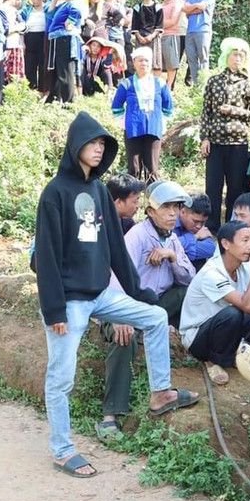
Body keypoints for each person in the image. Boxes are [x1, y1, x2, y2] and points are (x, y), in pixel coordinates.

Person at [34, 112, 200, 478]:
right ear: (75, 146)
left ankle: (160, 393)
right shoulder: (55, 193)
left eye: (101, 144)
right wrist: (54, 309)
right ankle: (62, 449)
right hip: (69, 302)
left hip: (101, 295)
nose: (97, 149)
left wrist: (139, 292)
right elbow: (45, 255)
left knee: (155, 317)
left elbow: (115, 249)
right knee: (60, 377)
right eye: (91, 143)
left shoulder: (98, 191)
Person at [99, 180, 195, 440]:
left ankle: (182, 340)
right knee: (123, 338)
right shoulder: (137, 235)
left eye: (176, 208)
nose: (173, 214)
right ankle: (111, 414)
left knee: (187, 293)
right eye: (166, 208)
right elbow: (114, 276)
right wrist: (119, 316)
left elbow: (189, 278)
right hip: (124, 304)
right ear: (151, 211)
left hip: (154, 305)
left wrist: (171, 257)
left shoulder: (172, 238)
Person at [180, 220, 250, 385]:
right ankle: (214, 361)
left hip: (223, 331)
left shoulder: (244, 266)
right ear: (226, 244)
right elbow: (247, 306)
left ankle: (235, 353)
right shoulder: (212, 273)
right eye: (245, 240)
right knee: (233, 313)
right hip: (197, 338)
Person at [199, 38, 250, 225]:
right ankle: (211, 226)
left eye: (241, 56)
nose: (238, 59)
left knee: (235, 187)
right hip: (215, 143)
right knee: (213, 187)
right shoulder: (214, 81)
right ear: (226, 56)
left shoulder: (247, 84)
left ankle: (234, 224)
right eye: (235, 55)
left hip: (238, 144)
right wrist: (204, 138)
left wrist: (234, 111)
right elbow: (206, 113)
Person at [111, 47, 174, 182]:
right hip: (133, 129)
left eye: (146, 60)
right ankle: (133, 194)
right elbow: (116, 106)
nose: (143, 63)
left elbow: (168, 105)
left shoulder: (159, 82)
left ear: (151, 63)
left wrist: (162, 120)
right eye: (140, 60)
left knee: (152, 169)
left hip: (153, 128)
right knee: (134, 168)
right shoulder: (127, 83)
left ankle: (153, 194)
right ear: (134, 63)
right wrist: (124, 122)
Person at [44, 0, 85, 105]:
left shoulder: (74, 4)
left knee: (65, 71)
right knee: (58, 70)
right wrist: (56, 0)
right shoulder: (64, 4)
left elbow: (74, 16)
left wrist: (70, 23)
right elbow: (49, 14)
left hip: (65, 39)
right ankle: (53, 99)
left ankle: (68, 102)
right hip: (58, 39)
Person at [182, 0, 216, 86]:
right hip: (190, 30)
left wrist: (192, 8)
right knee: (191, 58)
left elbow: (202, 7)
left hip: (203, 29)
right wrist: (196, 7)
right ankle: (196, 85)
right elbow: (185, 9)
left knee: (203, 57)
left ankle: (204, 84)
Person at [176, 193, 217, 271]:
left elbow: (210, 248)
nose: (199, 226)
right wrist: (195, 237)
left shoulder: (201, 230)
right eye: (195, 221)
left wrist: (179, 252)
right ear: (183, 212)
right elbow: (168, 244)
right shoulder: (170, 221)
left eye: (203, 222)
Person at [130, 0, 164, 74]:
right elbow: (135, 25)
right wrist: (140, 37)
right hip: (140, 38)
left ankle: (154, 81)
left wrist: (151, 36)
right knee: (140, 61)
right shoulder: (137, 7)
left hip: (154, 38)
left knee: (154, 63)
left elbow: (159, 25)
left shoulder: (158, 7)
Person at [158, 0, 186, 90]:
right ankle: (159, 86)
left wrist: (156, 24)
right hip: (158, 37)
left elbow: (172, 21)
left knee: (171, 63)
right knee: (158, 63)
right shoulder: (160, 5)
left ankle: (169, 87)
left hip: (171, 35)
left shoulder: (177, 4)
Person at [23, 0, 48, 96]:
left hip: (42, 38)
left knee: (43, 65)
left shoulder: (47, 9)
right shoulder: (27, 10)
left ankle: (42, 90)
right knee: (29, 65)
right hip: (29, 38)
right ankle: (31, 89)